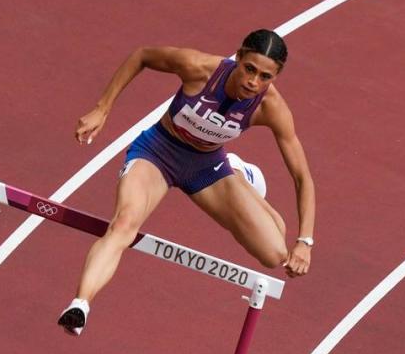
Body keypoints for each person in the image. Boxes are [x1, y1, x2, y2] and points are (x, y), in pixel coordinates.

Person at [59, 29, 315, 335]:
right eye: (249, 69)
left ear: (276, 76)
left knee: (274, 253)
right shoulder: (199, 68)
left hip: (207, 168)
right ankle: (80, 305)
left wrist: (305, 241)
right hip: (158, 153)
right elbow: (142, 55)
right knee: (124, 224)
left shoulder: (270, 107)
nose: (253, 82)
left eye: (265, 77)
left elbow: (302, 176)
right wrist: (102, 108)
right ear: (239, 56)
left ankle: (237, 175)